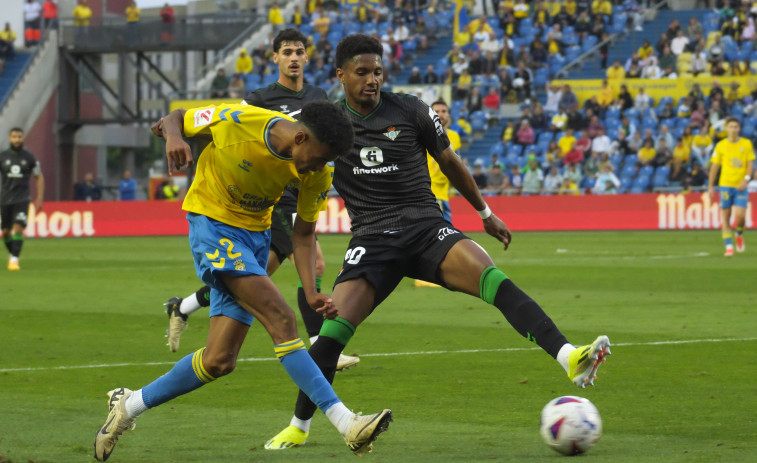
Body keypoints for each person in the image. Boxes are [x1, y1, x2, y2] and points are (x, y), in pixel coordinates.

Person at [264, 33, 612, 451]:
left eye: (377, 71)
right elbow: (300, 167)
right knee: (331, 336)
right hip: (373, 238)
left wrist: (484, 213)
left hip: (427, 228)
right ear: (340, 76)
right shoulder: (331, 126)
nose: (372, 79)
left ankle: (569, 356)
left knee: (493, 279)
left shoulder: (411, 109)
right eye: (362, 72)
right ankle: (299, 427)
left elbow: (449, 160)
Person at [93, 99, 392, 462]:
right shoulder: (237, 120)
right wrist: (174, 136)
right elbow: (174, 119)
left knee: (220, 360)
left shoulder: (316, 174)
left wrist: (311, 292)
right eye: (319, 157)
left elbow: (303, 234)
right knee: (281, 319)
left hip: (254, 239)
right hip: (212, 227)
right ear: (299, 137)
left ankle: (128, 404)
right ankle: (347, 424)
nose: (320, 166)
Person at [163, 29, 359, 371]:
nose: (294, 57)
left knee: (265, 275)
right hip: (271, 199)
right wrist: (177, 135)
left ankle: (186, 306)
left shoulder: (318, 98)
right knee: (271, 276)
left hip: (302, 193)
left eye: (299, 51)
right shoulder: (259, 100)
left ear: (307, 57)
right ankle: (318, 347)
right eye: (287, 52)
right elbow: (225, 128)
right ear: (276, 58)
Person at [708, 117, 754, 257]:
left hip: (740, 186)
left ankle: (739, 233)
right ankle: (729, 247)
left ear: (739, 129)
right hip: (725, 185)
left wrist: (746, 180)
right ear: (726, 129)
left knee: (740, 216)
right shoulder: (721, 145)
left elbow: (750, 164)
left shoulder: (746, 144)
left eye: (736, 127)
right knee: (726, 217)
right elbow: (714, 167)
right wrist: (710, 186)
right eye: (731, 127)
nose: (733, 129)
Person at [1, 127, 44, 271]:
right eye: (14, 137)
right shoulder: (2, 156)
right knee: (6, 232)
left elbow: (39, 177)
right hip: (5, 198)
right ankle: (14, 253)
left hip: (22, 198)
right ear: (9, 138)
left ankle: (14, 260)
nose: (17, 139)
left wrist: (40, 197)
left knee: (18, 228)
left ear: (23, 138)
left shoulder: (30, 158)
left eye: (19, 136)